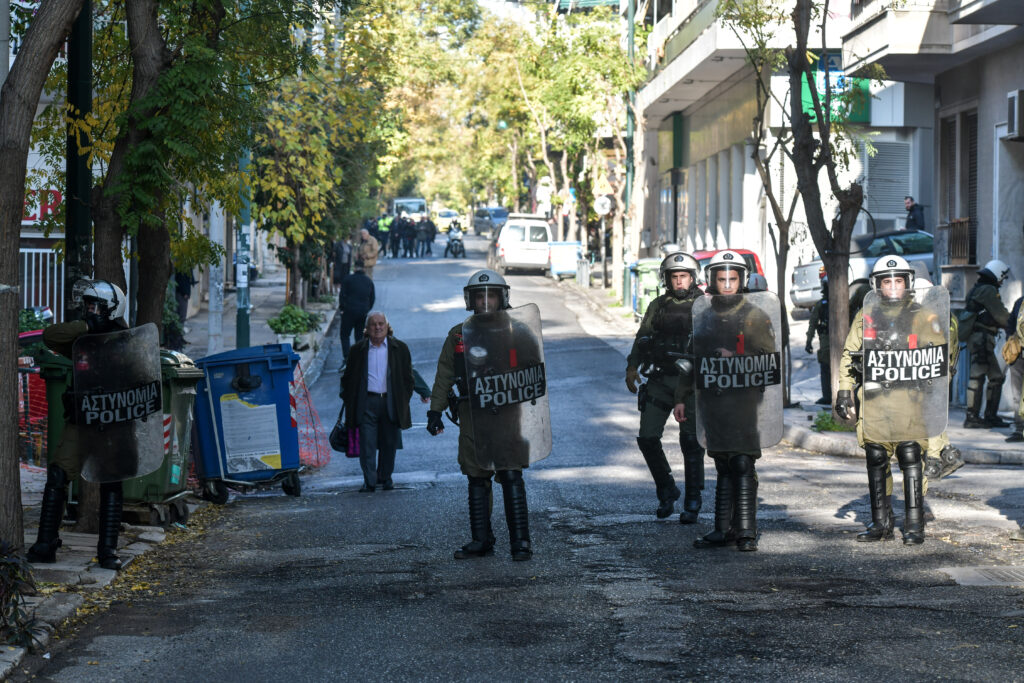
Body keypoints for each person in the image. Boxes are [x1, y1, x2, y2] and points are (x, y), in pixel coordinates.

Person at [426, 270, 542, 561]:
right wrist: (435, 411)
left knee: (511, 474)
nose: (486, 300)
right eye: (480, 295)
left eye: (492, 294)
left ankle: (521, 542)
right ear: (471, 299)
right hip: (472, 416)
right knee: (477, 477)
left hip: (507, 415)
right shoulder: (457, 334)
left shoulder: (518, 331)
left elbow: (535, 371)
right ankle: (481, 539)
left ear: (502, 297)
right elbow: (445, 375)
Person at [836, 256, 950, 545]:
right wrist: (844, 391)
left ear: (908, 283)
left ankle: (914, 524)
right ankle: (880, 523)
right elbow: (850, 355)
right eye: (887, 281)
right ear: (877, 285)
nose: (893, 286)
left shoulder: (923, 316)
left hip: (910, 403)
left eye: (898, 280)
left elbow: (939, 360)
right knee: (876, 458)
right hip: (875, 402)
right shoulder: (866, 316)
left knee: (911, 456)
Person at [27, 280, 137, 570]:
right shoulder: (80, 341)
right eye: (87, 304)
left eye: (95, 305)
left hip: (112, 422)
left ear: (111, 308)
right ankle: (45, 545)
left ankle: (108, 551)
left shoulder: (126, 339)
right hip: (82, 421)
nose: (89, 310)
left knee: (111, 482)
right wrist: (86, 327)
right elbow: (51, 336)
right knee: (58, 475)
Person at [679, 250, 775, 552]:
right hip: (713, 400)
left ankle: (746, 530)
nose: (728, 285)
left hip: (745, 400)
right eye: (722, 279)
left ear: (742, 280)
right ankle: (722, 528)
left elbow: (769, 360)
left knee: (743, 461)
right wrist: (682, 397)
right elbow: (690, 359)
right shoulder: (704, 316)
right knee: (721, 461)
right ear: (712, 281)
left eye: (733, 278)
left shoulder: (755, 316)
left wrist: (738, 357)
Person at [625, 252, 705, 523]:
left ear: (693, 278)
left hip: (691, 383)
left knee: (691, 442)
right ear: (667, 279)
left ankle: (693, 500)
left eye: (684, 276)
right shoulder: (657, 305)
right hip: (659, 380)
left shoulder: (704, 305)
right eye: (675, 277)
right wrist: (632, 367)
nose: (679, 282)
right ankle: (666, 489)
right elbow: (642, 337)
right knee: (647, 437)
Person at [340, 312, 415, 492]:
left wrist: (403, 399)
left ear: (387, 326)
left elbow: (408, 378)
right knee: (367, 445)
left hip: (390, 402)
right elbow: (347, 378)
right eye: (373, 324)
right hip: (367, 403)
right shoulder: (357, 350)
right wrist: (350, 399)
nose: (378, 327)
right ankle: (370, 481)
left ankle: (385, 477)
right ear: (367, 328)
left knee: (389, 443)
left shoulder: (400, 348)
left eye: (381, 323)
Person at [963, 259, 1012, 428]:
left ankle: (990, 416)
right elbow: (1001, 316)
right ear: (998, 275)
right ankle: (972, 417)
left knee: (996, 377)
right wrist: (1015, 321)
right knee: (977, 377)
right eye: (1002, 278)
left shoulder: (978, 288)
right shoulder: (988, 290)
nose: (1002, 281)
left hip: (981, 338)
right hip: (982, 339)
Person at [338, 265, 375, 360]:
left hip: (348, 311)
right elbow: (372, 298)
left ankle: (347, 357)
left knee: (345, 335)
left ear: (354, 268)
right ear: (363, 269)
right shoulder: (368, 281)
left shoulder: (347, 279)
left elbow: (342, 295)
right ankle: (359, 357)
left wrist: (342, 308)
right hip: (362, 312)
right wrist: (367, 309)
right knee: (359, 335)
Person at [805, 274, 832, 406]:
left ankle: (832, 395)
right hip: (826, 341)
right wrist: (808, 341)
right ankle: (827, 395)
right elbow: (813, 323)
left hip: (837, 342)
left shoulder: (844, 303)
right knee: (826, 368)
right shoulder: (821, 305)